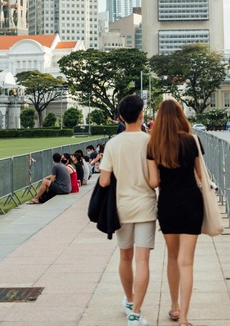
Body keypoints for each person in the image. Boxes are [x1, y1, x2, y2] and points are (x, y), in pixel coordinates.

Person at [98, 95, 157, 324]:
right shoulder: (149, 141)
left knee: (125, 256)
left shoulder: (113, 144)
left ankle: (130, 300)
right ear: (141, 114)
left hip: (121, 207)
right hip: (146, 206)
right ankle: (136, 312)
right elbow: (154, 180)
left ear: (121, 117)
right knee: (142, 260)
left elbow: (103, 181)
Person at [146, 100, 203, 326]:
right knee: (186, 261)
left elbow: (153, 182)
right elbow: (201, 175)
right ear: (181, 116)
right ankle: (185, 319)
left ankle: (175, 307)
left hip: (168, 205)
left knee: (172, 256)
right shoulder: (192, 141)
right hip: (192, 204)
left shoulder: (153, 145)